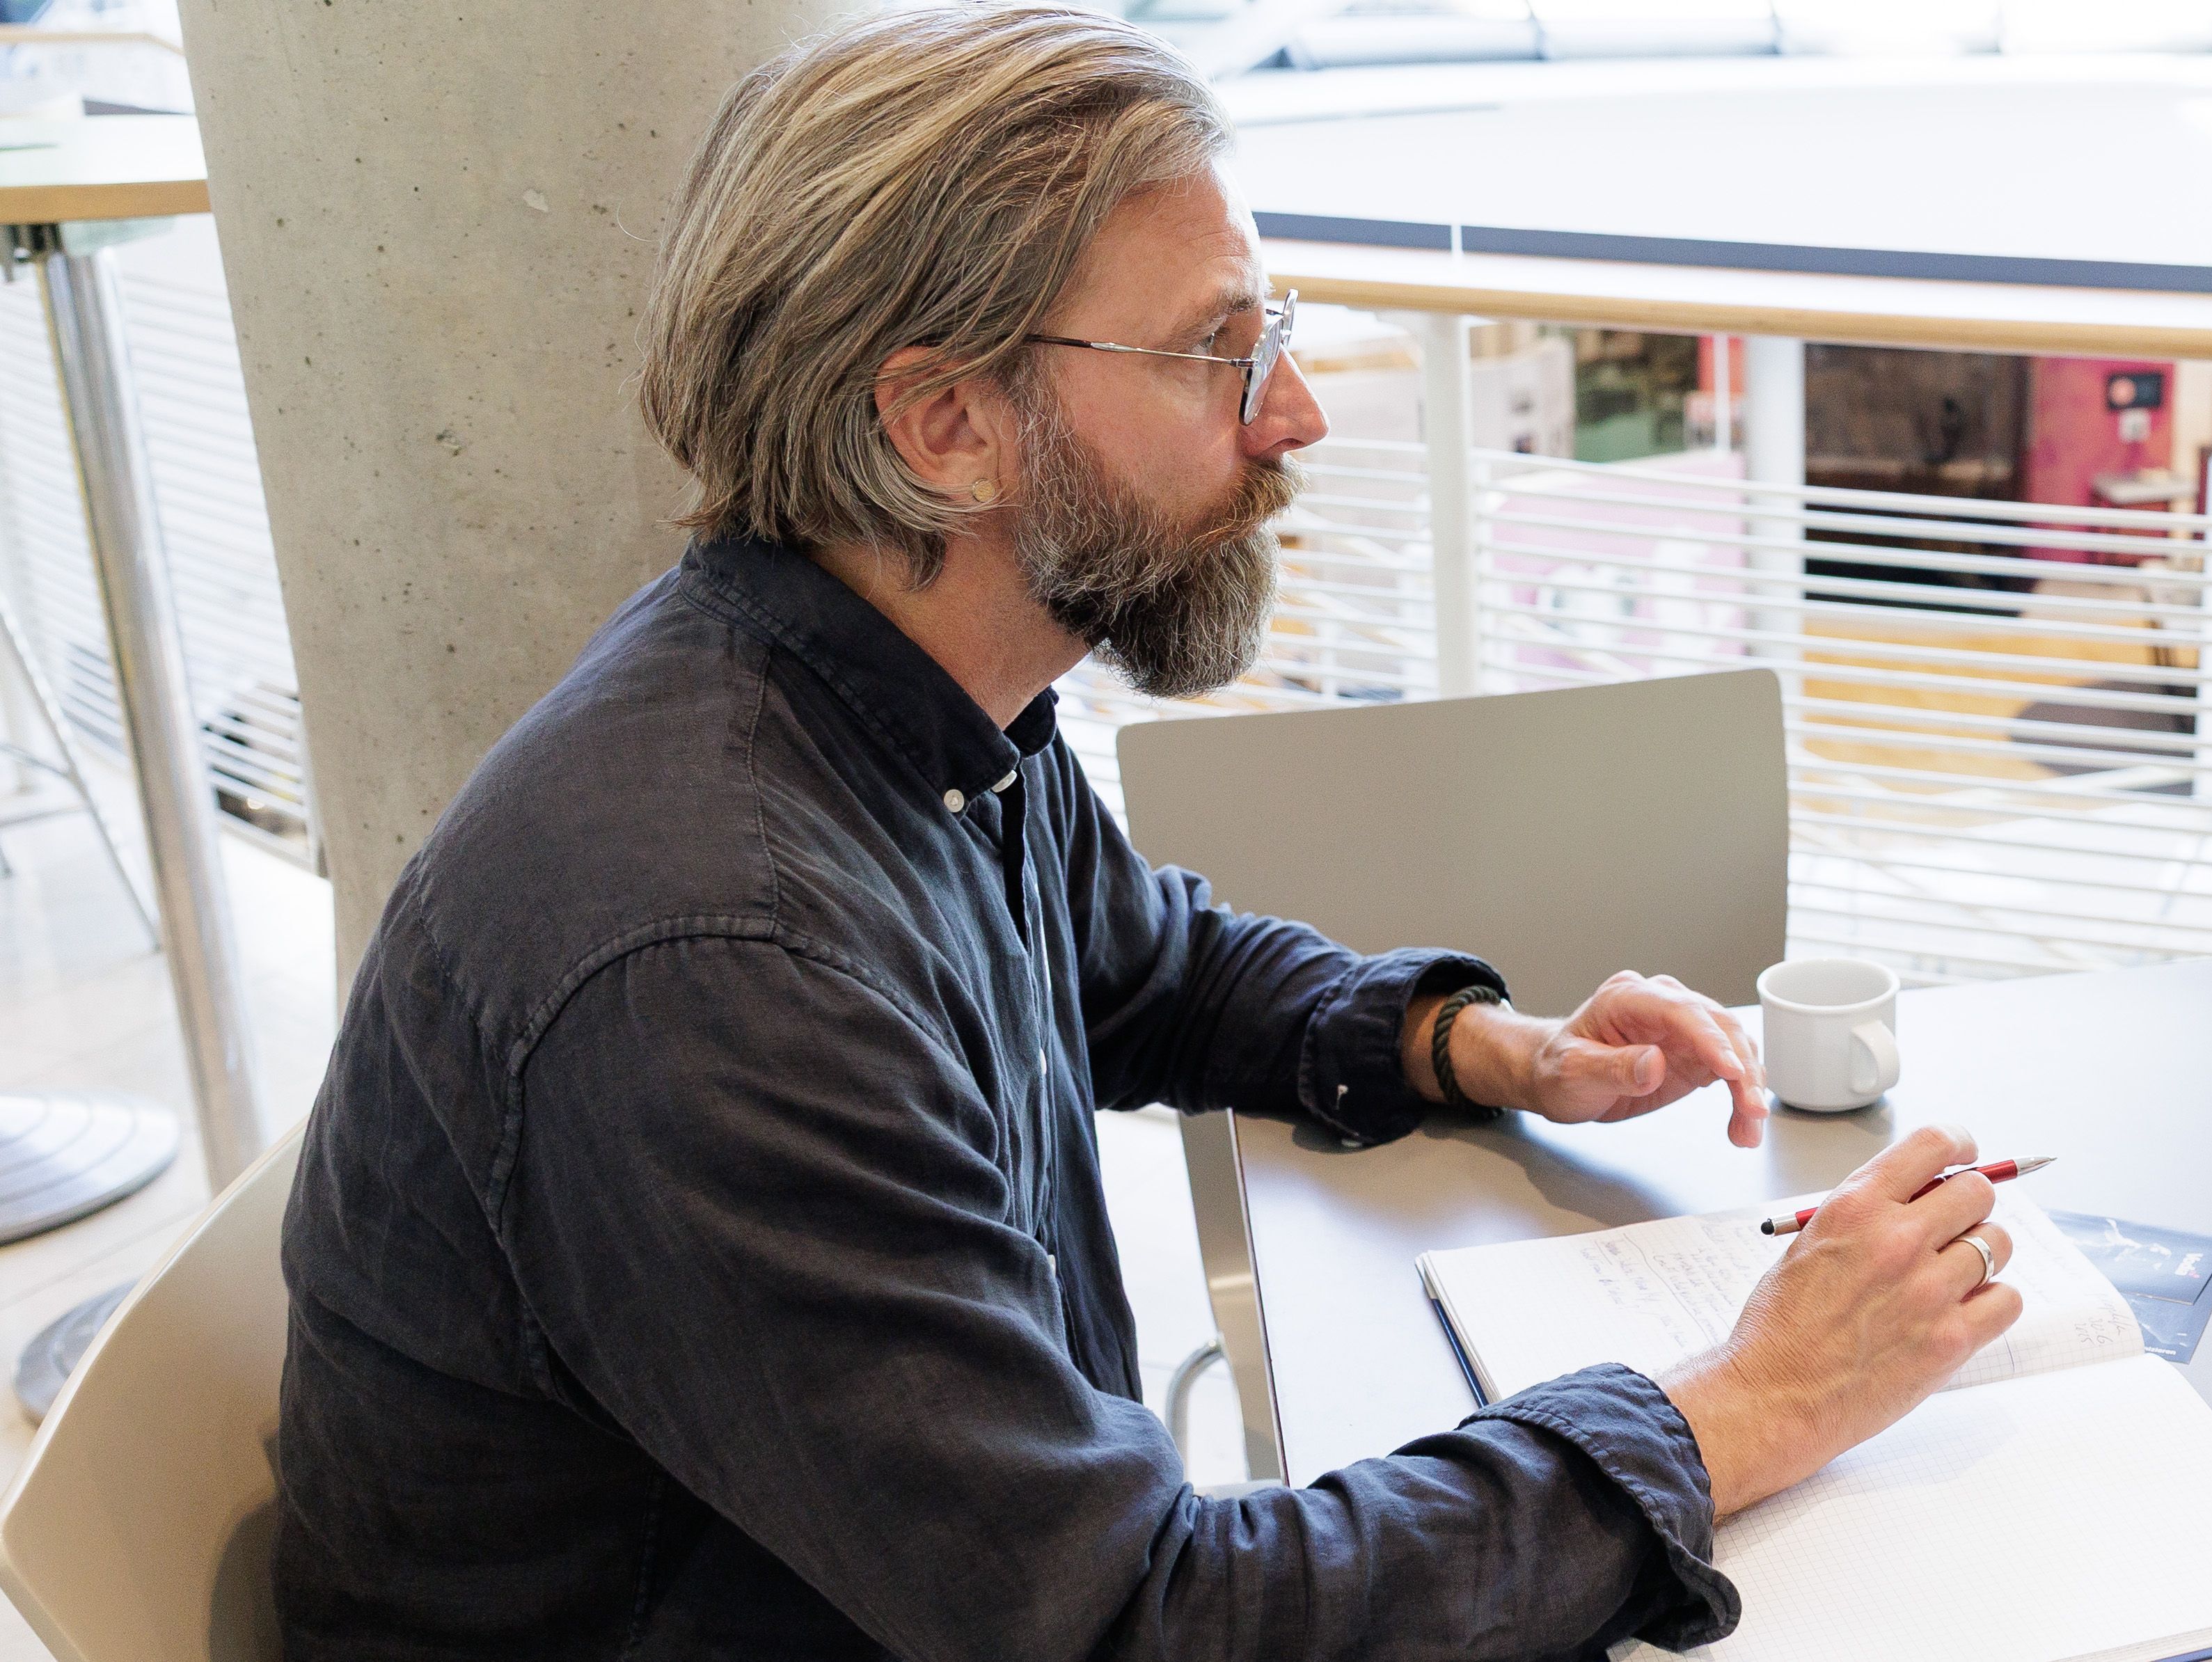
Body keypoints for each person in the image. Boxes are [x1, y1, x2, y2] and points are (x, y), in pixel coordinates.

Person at [274, 10, 2021, 1659]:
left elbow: (1153, 970)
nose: (1295, 413)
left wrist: (1483, 1047)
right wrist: (1753, 1406)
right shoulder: (714, 959)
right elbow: (1138, 1624)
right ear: (942, 426)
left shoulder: (896, 702)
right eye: (1215, 351)